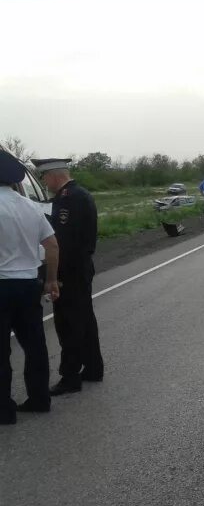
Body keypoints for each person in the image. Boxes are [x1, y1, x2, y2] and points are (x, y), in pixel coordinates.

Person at [33, 158, 104, 396]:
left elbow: (63, 242)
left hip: (70, 270)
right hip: (81, 267)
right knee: (84, 319)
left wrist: (55, 275)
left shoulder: (67, 199)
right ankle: (93, 367)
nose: (44, 183)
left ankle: (70, 376)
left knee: (68, 324)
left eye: (44, 178)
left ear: (53, 175)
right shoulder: (80, 193)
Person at [0, 152, 60, 423]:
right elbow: (52, 245)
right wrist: (50, 280)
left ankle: (4, 410)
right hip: (28, 283)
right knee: (34, 344)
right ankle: (39, 398)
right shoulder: (31, 207)